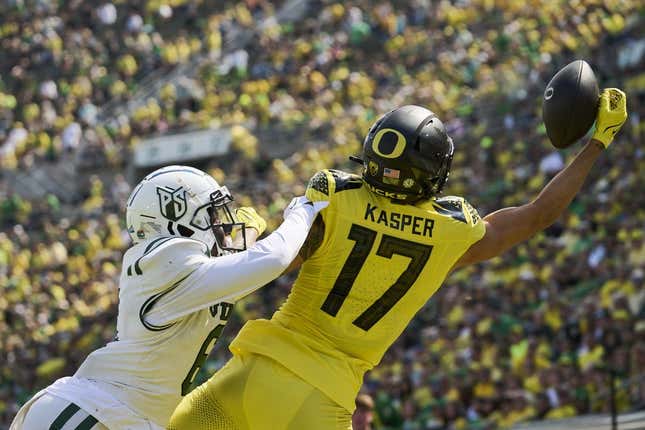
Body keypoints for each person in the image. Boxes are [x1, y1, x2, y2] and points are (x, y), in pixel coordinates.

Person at [169, 89, 628, 429]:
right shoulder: (451, 230)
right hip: (319, 399)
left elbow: (260, 264)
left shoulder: (336, 199)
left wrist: (244, 233)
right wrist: (597, 142)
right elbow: (538, 215)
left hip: (246, 374)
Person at [10, 165, 327, 430]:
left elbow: (242, 266)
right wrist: (303, 211)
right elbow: (270, 260)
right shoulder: (162, 259)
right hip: (94, 409)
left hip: (125, 416)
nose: (219, 224)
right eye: (211, 215)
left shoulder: (189, 272)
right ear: (177, 219)